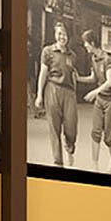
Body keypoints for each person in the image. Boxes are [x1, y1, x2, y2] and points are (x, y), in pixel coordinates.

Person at [34, 21, 78, 167]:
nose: (62, 37)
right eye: (59, 33)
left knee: (71, 128)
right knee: (54, 127)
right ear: (55, 34)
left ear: (68, 36)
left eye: (64, 34)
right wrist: (39, 94)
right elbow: (43, 73)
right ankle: (58, 162)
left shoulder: (73, 55)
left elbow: (73, 76)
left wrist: (75, 95)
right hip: (52, 89)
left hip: (69, 93)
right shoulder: (47, 51)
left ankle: (69, 146)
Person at [78, 29, 111, 172]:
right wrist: (78, 78)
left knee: (108, 138)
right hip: (100, 101)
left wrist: (94, 92)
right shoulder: (93, 58)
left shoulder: (107, 59)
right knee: (95, 133)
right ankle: (94, 165)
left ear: (92, 43)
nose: (85, 46)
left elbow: (109, 82)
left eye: (86, 43)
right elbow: (93, 78)